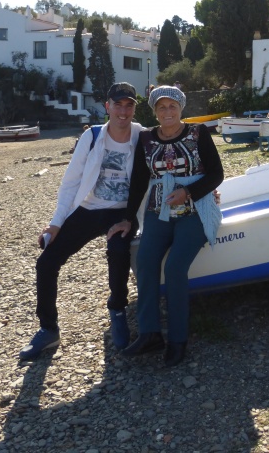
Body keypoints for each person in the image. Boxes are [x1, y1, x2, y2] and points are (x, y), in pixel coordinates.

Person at [19, 82, 144, 361]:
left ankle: (118, 311)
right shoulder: (92, 136)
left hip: (123, 211)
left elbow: (165, 169)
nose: (123, 111)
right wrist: (56, 222)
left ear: (135, 108)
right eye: (118, 105)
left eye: (129, 105)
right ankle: (48, 329)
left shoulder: (143, 137)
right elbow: (71, 182)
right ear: (107, 107)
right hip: (88, 208)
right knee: (47, 262)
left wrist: (206, 193)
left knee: (119, 252)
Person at [108, 85, 224, 367]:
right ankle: (150, 334)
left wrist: (189, 193)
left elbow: (217, 174)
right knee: (146, 261)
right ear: (154, 111)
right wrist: (129, 219)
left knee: (174, 268)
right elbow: (137, 181)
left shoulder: (199, 133)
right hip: (158, 211)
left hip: (196, 210)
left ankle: (178, 339)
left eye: (172, 106)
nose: (167, 112)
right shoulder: (146, 138)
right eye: (161, 107)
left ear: (181, 109)